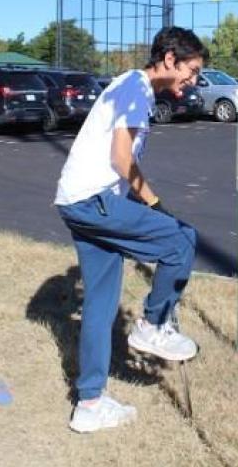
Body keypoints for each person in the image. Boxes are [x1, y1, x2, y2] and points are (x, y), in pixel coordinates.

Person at [54, 26, 209, 433]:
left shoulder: (130, 86)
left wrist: (142, 201)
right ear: (170, 59)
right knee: (181, 238)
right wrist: (157, 205)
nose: (191, 82)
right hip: (92, 201)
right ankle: (153, 326)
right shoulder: (137, 89)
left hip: (77, 200)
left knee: (101, 305)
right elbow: (122, 158)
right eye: (190, 71)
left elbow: (122, 164)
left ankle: (89, 404)